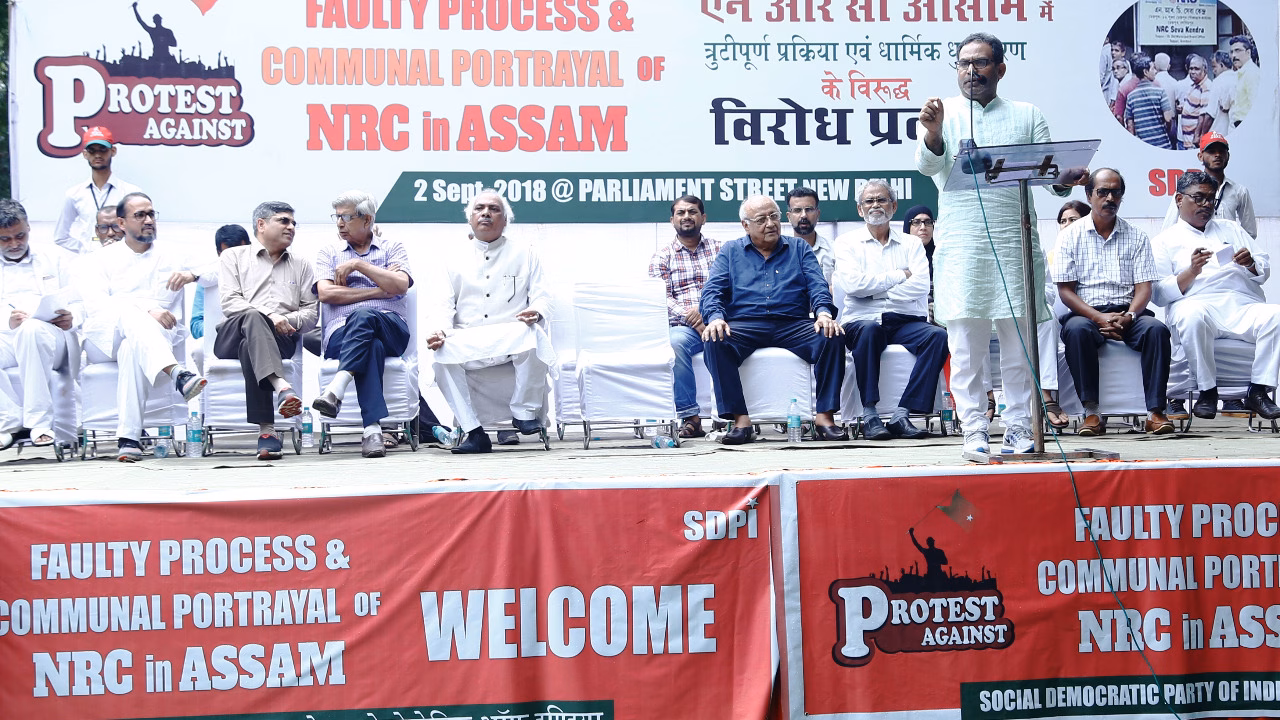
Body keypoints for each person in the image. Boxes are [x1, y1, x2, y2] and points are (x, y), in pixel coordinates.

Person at [915, 32, 1082, 457]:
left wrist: (1066, 178)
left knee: (1019, 344)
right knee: (966, 346)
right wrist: (933, 134)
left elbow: (1051, 179)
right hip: (963, 244)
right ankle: (972, 427)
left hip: (1014, 242)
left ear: (1000, 68)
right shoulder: (943, 114)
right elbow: (927, 165)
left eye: (980, 63)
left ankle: (1019, 426)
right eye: (963, 63)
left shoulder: (1027, 115)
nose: (971, 71)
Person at [700, 195, 847, 444]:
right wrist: (715, 318)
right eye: (761, 219)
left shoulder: (799, 248)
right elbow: (712, 291)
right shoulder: (731, 251)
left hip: (793, 323)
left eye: (774, 217)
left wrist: (823, 313)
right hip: (746, 324)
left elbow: (818, 285)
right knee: (715, 340)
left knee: (832, 335)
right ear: (746, 225)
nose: (770, 224)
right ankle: (740, 421)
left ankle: (825, 418)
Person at [77, 192, 205, 462]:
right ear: (122, 223)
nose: (148, 220)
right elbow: (96, 305)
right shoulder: (100, 259)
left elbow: (218, 269)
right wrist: (148, 308)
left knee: (131, 348)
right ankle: (177, 373)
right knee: (131, 318)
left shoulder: (173, 256)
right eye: (140, 215)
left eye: (151, 214)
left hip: (153, 339)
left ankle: (129, 439)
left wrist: (192, 274)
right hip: (104, 339)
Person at [428, 190, 552, 454]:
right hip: (468, 339)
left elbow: (542, 297)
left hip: (511, 336)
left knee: (534, 335)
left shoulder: (525, 253)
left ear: (505, 220)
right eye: (479, 208)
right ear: (470, 219)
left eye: (494, 209)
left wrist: (536, 311)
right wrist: (439, 332)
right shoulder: (451, 258)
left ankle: (524, 412)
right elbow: (442, 305)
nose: (486, 213)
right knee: (439, 357)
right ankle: (474, 432)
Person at [1151, 171, 1280, 421]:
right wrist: (1191, 271)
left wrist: (1250, 264)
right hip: (1197, 304)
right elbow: (1158, 294)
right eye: (1199, 198)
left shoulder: (1231, 228)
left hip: (1241, 304)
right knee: (1191, 316)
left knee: (1277, 315)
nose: (1207, 205)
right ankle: (1207, 391)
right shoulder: (1164, 241)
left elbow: (1264, 267)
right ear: (1179, 199)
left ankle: (1259, 390)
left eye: (1211, 199)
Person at [1053, 169, 1173, 436]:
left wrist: (1128, 316)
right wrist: (1099, 318)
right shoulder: (1069, 237)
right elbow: (1066, 292)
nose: (1109, 197)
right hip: (1087, 313)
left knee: (1157, 330)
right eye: (1102, 192)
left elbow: (1144, 288)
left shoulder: (1137, 236)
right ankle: (1092, 413)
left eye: (1115, 192)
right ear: (1088, 195)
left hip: (1128, 313)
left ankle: (1155, 412)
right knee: (1075, 331)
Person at [833, 180, 947, 440]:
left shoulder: (912, 244)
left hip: (904, 319)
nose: (875, 205)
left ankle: (902, 414)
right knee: (870, 330)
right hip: (861, 320)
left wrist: (873, 288)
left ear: (893, 206)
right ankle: (870, 415)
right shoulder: (846, 243)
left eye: (882, 200)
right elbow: (852, 285)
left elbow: (919, 286)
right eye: (869, 201)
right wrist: (898, 275)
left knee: (938, 336)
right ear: (860, 210)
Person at [312, 190, 413, 459]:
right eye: (336, 217)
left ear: (367, 220)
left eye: (346, 216)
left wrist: (358, 265)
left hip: (392, 328)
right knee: (371, 343)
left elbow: (400, 284)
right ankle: (372, 429)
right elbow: (326, 294)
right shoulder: (329, 253)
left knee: (365, 318)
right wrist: (378, 291)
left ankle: (336, 387)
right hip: (340, 335)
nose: (339, 223)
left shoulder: (392, 247)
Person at [215, 203, 318, 461]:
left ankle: (267, 432)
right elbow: (230, 302)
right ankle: (282, 387)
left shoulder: (301, 265)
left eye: (294, 223)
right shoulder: (233, 257)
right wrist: (270, 315)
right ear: (261, 225)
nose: (291, 227)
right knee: (251, 318)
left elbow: (311, 314)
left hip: (281, 338)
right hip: (232, 333)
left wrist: (284, 319)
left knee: (250, 345)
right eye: (284, 221)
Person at [0, 200, 79, 450]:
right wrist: (7, 320)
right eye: (5, 239)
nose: (14, 244)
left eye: (19, 235)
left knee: (31, 330)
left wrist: (72, 316)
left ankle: (39, 423)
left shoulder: (55, 258)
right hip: (6, 338)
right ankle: (6, 421)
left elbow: (81, 299)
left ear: (29, 228)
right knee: (22, 330)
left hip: (51, 338)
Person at [648, 195, 722, 438]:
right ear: (672, 220)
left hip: (720, 319)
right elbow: (660, 298)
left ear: (703, 217)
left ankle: (730, 416)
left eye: (692, 211)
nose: (687, 217)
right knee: (675, 343)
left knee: (739, 340)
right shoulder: (662, 256)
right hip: (684, 328)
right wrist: (695, 320)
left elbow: (732, 287)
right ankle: (691, 417)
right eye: (681, 213)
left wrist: (706, 312)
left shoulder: (722, 250)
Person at [53, 127, 141, 255]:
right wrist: (86, 249)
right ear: (85, 154)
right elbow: (60, 237)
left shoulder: (131, 193)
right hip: (90, 262)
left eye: (103, 150)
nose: (98, 155)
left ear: (113, 151)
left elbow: (140, 230)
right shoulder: (74, 194)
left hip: (126, 259)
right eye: (92, 151)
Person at [1161, 132, 1255, 239]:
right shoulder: (1187, 190)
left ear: (1228, 156)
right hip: (1196, 251)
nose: (1217, 155)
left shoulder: (1239, 191)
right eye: (1211, 151)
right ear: (1200, 156)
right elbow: (1168, 229)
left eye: (1221, 151)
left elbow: (1249, 232)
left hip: (1228, 250)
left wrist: (1239, 250)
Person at [191, 225, 251, 340]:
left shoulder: (264, 274)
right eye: (229, 255)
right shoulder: (205, 280)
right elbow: (195, 325)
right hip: (218, 338)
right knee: (198, 350)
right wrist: (223, 330)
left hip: (254, 336)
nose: (236, 261)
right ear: (219, 253)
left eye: (241, 253)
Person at [785, 187, 835, 285]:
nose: (803, 215)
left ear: (818, 214)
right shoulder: (780, 251)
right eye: (797, 210)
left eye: (809, 209)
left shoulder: (834, 250)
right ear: (789, 216)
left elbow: (840, 290)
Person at [1125, 54, 1174, 149]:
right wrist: (1166, 130)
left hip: (1143, 147)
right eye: (1153, 69)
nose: (1155, 71)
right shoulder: (1160, 92)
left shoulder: (1131, 97)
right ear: (1145, 72)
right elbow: (1168, 119)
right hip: (1162, 144)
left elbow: (1130, 125)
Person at [902, 204, 936, 320]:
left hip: (937, 311)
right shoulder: (898, 255)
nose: (923, 227)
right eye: (916, 222)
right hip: (904, 309)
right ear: (908, 226)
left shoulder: (941, 257)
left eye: (928, 222)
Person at [1174, 54, 1212, 151]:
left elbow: (1204, 115)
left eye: (1196, 69)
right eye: (1191, 69)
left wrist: (1197, 136)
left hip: (1195, 142)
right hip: (1188, 140)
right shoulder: (1194, 85)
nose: (1193, 72)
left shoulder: (1206, 87)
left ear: (1205, 70)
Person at [1228, 35, 1259, 128]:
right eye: (1232, 52)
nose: (1234, 55)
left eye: (1238, 50)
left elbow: (1256, 107)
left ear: (1248, 52)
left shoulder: (1252, 73)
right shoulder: (1241, 73)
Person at [1206, 51, 1236, 135]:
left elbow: (1210, 114)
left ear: (1222, 65)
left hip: (1218, 132)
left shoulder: (1218, 82)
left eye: (1214, 67)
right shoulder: (1238, 78)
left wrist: (1201, 135)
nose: (1213, 71)